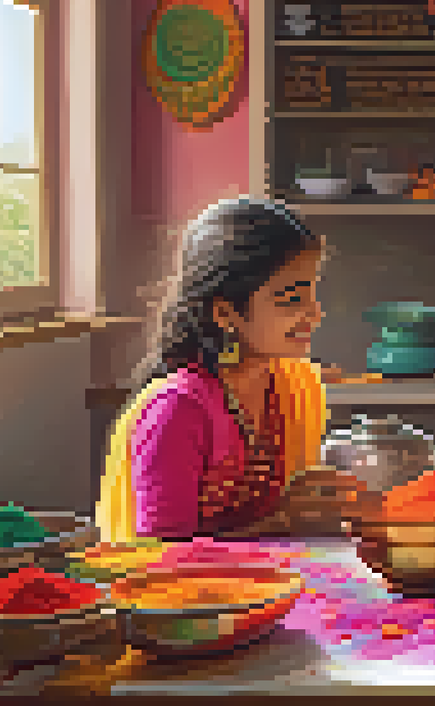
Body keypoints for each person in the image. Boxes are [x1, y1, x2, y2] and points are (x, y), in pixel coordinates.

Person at [95, 198, 370, 543]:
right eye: (291, 299)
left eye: (313, 295)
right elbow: (160, 558)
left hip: (274, 583)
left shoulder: (292, 385)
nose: (315, 315)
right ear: (225, 313)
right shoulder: (178, 411)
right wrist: (281, 521)